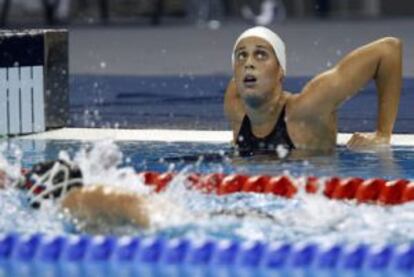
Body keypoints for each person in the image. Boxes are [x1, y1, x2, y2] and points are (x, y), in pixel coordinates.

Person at [225, 26, 402, 157]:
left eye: (261, 54)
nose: (248, 63)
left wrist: (382, 134)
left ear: (280, 71)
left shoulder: (308, 110)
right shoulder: (235, 106)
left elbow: (389, 50)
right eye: (241, 55)